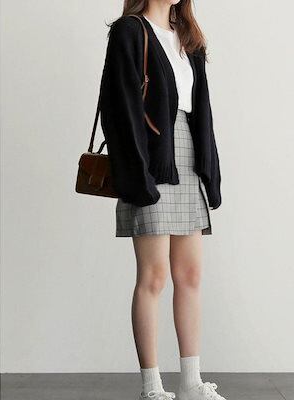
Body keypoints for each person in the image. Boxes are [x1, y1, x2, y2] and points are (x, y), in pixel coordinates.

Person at [99, 1, 223, 399]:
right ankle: (152, 387)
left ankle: (190, 383)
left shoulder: (189, 38)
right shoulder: (129, 31)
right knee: (153, 277)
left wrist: (210, 171)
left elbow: (201, 109)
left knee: (190, 275)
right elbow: (119, 108)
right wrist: (138, 175)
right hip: (150, 162)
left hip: (187, 156)